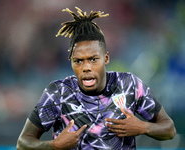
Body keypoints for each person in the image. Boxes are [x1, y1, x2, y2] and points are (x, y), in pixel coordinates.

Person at [16, 7, 176, 150]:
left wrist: (143, 127)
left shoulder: (129, 85)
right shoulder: (58, 92)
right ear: (71, 61)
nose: (86, 67)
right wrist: (54, 146)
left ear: (106, 58)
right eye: (78, 61)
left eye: (93, 59)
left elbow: (169, 129)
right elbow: (23, 143)